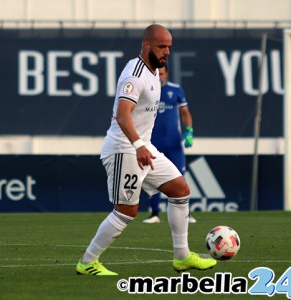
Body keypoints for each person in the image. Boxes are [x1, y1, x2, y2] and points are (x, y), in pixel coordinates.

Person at [76, 24, 217, 276]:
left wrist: (143, 146)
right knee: (126, 212)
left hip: (143, 148)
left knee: (180, 190)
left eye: (169, 48)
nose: (167, 52)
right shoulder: (136, 74)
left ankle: (182, 257)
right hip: (124, 149)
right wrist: (138, 145)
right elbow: (122, 114)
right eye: (162, 46)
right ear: (146, 45)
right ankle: (88, 261)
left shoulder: (155, 73)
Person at [143, 65, 197, 224]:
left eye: (161, 73)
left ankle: (186, 214)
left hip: (174, 144)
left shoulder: (176, 90)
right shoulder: (147, 92)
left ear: (166, 74)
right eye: (156, 73)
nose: (159, 76)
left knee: (180, 177)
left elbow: (185, 112)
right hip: (154, 144)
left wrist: (189, 131)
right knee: (152, 178)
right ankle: (154, 214)